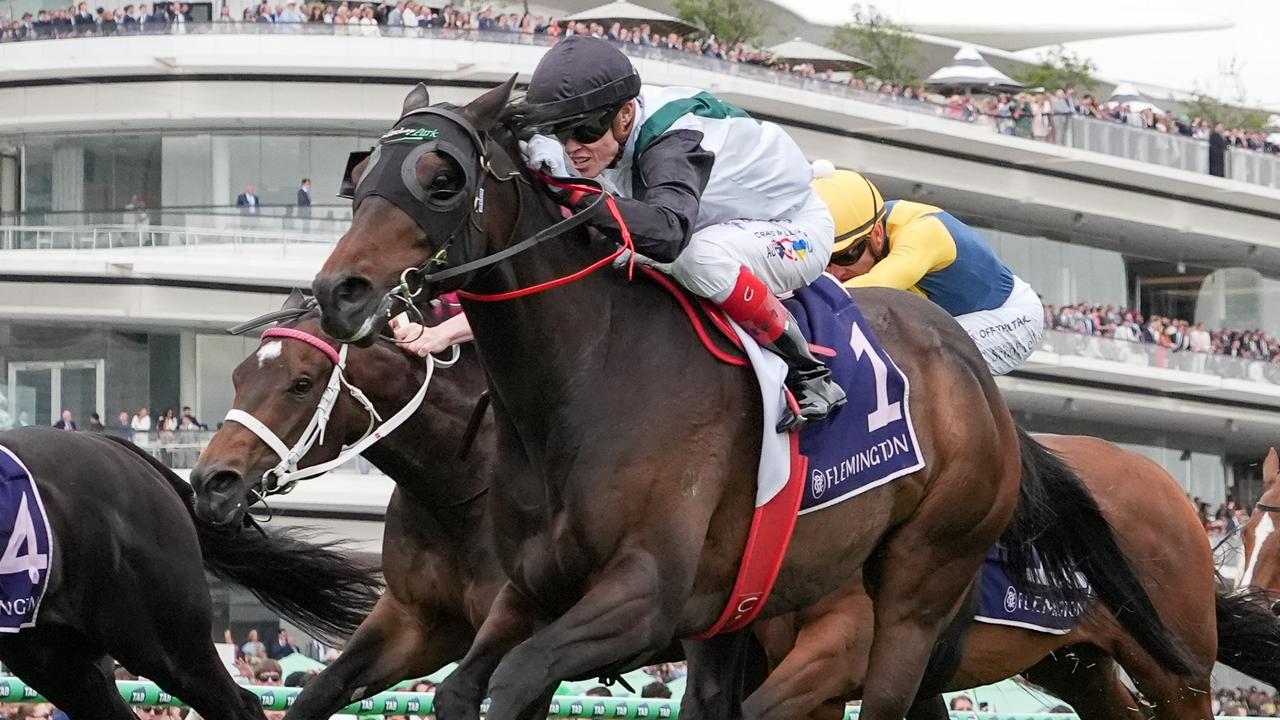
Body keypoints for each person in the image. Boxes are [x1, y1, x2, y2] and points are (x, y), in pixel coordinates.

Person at [392, 36, 846, 428]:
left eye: (585, 132)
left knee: (695, 256)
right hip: (706, 220)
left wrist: (576, 197)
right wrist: (440, 334)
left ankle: (808, 371)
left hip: (791, 226)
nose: (573, 149)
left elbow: (668, 234)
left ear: (627, 115)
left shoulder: (674, 140)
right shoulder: (591, 124)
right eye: (560, 131)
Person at [814, 168, 1042, 376]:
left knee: (924, 364)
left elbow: (876, 286)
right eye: (826, 261)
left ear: (877, 234)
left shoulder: (923, 234)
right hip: (949, 315)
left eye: (846, 256)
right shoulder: (867, 220)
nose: (835, 271)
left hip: (1010, 316)